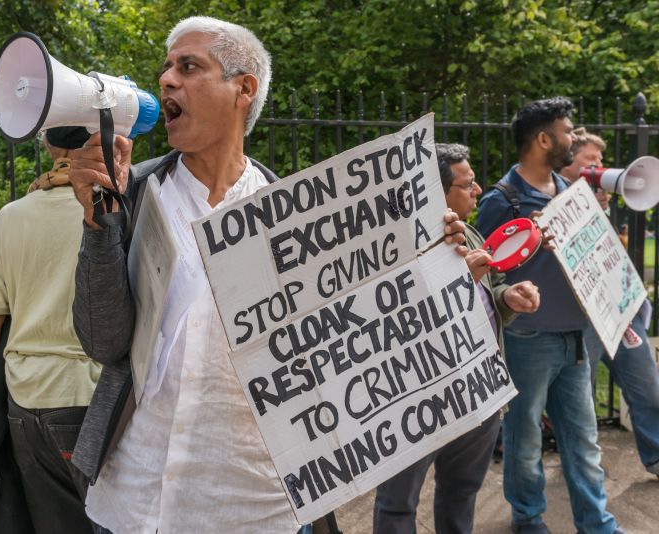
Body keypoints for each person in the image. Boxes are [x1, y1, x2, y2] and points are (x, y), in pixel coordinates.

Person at [67, 16, 469, 534]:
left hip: (255, 504)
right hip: (135, 498)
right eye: (166, 67)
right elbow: (102, 340)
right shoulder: (132, 193)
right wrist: (99, 222)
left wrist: (436, 262)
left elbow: (357, 342)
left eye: (189, 66)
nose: (166, 79)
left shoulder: (303, 221)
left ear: (244, 88)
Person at [373, 143, 540, 534]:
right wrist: (458, 282)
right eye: (467, 185)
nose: (478, 190)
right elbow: (386, 321)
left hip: (478, 389)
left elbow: (491, 292)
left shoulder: (471, 231)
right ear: (436, 191)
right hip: (416, 396)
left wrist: (509, 298)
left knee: (462, 491)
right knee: (398, 503)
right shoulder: (393, 242)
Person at [476, 97, 624, 534]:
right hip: (529, 339)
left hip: (576, 337)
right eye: (567, 130)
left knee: (584, 441)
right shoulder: (501, 200)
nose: (574, 137)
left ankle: (597, 524)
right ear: (543, 139)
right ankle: (528, 519)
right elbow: (484, 275)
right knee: (524, 442)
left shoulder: (573, 194)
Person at [0, 126, 98, 533]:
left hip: (27, 402)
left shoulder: (11, 216)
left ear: (47, 144)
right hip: (96, 398)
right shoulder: (115, 209)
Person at [560, 131, 659, 479]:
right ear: (568, 160)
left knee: (647, 385)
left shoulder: (597, 200)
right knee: (579, 397)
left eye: (601, 162)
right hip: (580, 316)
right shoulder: (552, 199)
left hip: (617, 310)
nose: (600, 168)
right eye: (592, 161)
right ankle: (583, 465)